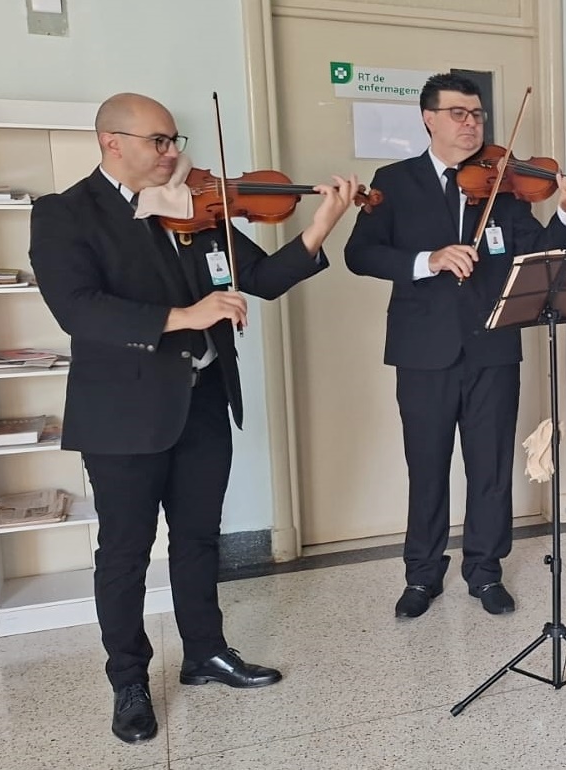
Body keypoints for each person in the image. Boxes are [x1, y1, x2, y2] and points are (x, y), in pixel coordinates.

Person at [28, 93, 357, 744]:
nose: (172, 152)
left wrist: (323, 223)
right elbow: (78, 308)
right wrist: (186, 315)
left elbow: (262, 277)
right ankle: (128, 680)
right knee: (124, 553)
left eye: (174, 139)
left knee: (200, 538)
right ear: (112, 142)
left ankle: (205, 652)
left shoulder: (193, 208)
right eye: (158, 141)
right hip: (123, 412)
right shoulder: (64, 213)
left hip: (202, 399)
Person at [345, 73, 566, 619]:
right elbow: (359, 254)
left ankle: (484, 571)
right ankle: (422, 575)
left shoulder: (503, 184)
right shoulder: (395, 182)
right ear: (428, 118)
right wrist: (427, 260)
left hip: (493, 348)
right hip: (422, 352)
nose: (471, 123)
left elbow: (538, 253)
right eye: (458, 113)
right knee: (426, 467)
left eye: (477, 114)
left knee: (491, 468)